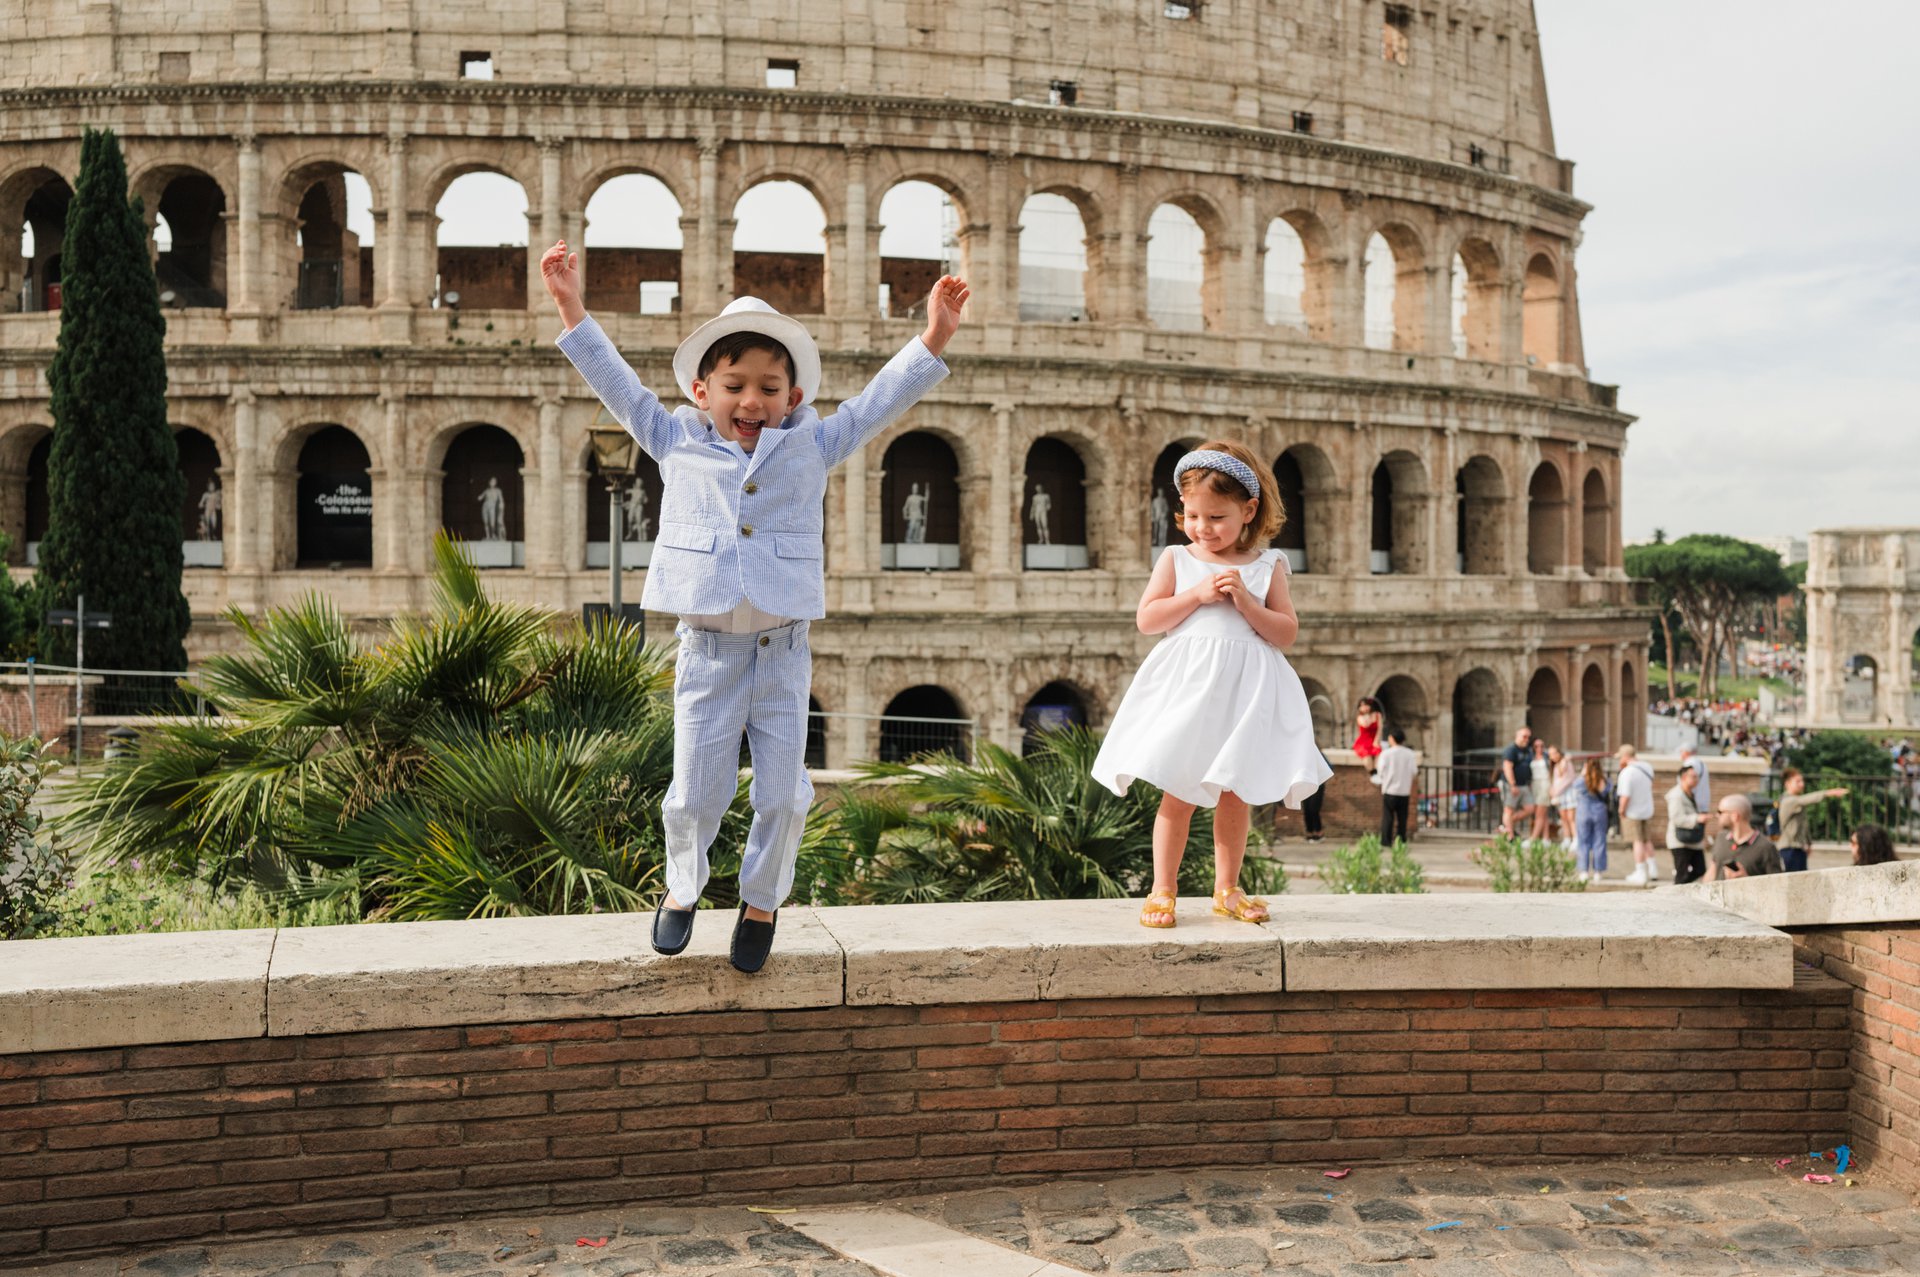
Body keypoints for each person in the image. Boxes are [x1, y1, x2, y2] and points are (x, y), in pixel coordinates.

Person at [542, 237, 968, 972]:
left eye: (771, 387)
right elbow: (619, 387)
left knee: (785, 793)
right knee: (695, 792)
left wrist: (931, 337)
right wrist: (571, 306)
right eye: (735, 383)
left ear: (794, 398)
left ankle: (762, 898)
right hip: (706, 647)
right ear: (702, 392)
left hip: (782, 651)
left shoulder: (813, 442)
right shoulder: (675, 438)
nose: (753, 400)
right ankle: (683, 887)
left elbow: (875, 403)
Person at [1092, 441, 1331, 929]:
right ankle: (1164, 889)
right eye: (1193, 515)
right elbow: (1148, 619)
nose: (1203, 527)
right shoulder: (1178, 560)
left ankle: (1227, 888)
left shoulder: (1268, 565)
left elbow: (1285, 632)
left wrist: (1247, 603)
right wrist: (1198, 595)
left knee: (1234, 794)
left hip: (1246, 696)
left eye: (1217, 517)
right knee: (1178, 793)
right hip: (1193, 693)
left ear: (1248, 510)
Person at [1774, 768, 1849, 872]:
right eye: (1798, 781)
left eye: (1802, 781)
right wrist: (1828, 793)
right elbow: (1805, 799)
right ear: (1787, 783)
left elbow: (1803, 824)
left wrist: (1808, 843)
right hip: (1789, 849)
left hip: (1799, 848)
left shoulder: (1797, 800)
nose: (1802, 784)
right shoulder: (1788, 801)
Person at [1709, 793, 1783, 880]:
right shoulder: (1721, 838)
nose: (1717, 815)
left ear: (1735, 816)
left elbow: (1776, 884)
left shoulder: (1766, 847)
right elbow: (1712, 871)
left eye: (1720, 812)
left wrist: (1746, 879)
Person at [1664, 761, 1714, 885]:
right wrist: (1697, 818)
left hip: (1693, 840)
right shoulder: (1676, 795)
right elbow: (1677, 818)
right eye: (1693, 777)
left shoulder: (1691, 793)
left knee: (1700, 869)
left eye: (1697, 776)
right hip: (1680, 841)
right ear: (1684, 777)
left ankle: (1681, 888)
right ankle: (1676, 893)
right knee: (1682, 873)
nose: (1696, 780)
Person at [1616, 744, 1658, 886]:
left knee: (1637, 841)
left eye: (1620, 757)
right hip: (1647, 808)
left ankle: (1640, 872)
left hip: (1633, 811)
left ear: (1626, 756)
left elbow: (1625, 796)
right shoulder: (1647, 767)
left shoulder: (1627, 772)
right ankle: (1653, 869)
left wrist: (1621, 810)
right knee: (1647, 840)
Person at [1376, 728, 1416, 845]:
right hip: (1404, 790)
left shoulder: (1386, 753)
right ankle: (1401, 840)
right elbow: (1414, 771)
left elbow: (1380, 770)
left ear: (1392, 739)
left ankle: (1386, 841)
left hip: (1389, 789)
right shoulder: (1409, 754)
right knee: (1402, 818)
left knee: (1388, 817)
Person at [1573, 757, 1611, 883]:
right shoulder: (1604, 780)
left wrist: (1583, 773)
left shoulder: (1582, 781)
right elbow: (1608, 789)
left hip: (1583, 812)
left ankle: (1584, 871)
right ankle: (1598, 872)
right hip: (1600, 813)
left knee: (1583, 842)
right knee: (1599, 842)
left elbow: (1575, 785)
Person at [1499, 725, 1534, 837]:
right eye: (1524, 736)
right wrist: (1512, 784)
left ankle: (1507, 825)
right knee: (1509, 809)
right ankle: (1510, 835)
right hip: (1511, 784)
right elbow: (1507, 767)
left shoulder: (1528, 751)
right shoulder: (1511, 750)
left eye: (1528, 737)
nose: (1526, 739)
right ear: (1517, 736)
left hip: (1523, 784)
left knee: (1530, 808)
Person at [1549, 745, 1578, 848]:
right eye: (1550, 754)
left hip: (1568, 793)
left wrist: (1556, 791)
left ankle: (1575, 838)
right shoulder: (1555, 766)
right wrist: (1552, 791)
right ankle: (1567, 838)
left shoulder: (1566, 763)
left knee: (1571, 818)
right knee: (1564, 818)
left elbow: (1568, 779)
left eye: (1554, 753)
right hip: (1560, 795)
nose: (1552, 756)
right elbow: (1555, 781)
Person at [1300, 746, 1330, 843]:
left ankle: (1318, 832)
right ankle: (1309, 832)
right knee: (1307, 809)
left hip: (1317, 785)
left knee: (1314, 809)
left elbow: (1329, 768)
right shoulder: (1302, 756)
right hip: (1306, 785)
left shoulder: (1320, 756)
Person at [1528, 737, 1554, 841]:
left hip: (1545, 783)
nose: (1539, 748)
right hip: (1535, 784)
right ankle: (1545, 837)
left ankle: (1533, 838)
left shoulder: (1547, 757)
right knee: (1543, 814)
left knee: (1540, 811)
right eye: (1536, 746)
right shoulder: (1531, 757)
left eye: (1541, 746)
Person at [1353, 696, 1383, 774]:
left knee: (1378, 756)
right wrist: (1367, 716)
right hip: (1364, 742)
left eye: (1365, 705)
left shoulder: (1377, 715)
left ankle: (1377, 774)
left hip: (1374, 740)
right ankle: (1372, 774)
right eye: (1362, 706)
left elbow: (1380, 729)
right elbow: (1366, 725)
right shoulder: (1360, 717)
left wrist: (1376, 741)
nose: (1364, 708)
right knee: (1367, 758)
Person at [1678, 744, 1711, 814]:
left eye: (1681, 751)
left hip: (1693, 805)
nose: (1680, 754)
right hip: (1702, 804)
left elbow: (1687, 783)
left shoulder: (1690, 763)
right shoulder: (1701, 763)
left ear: (1686, 752)